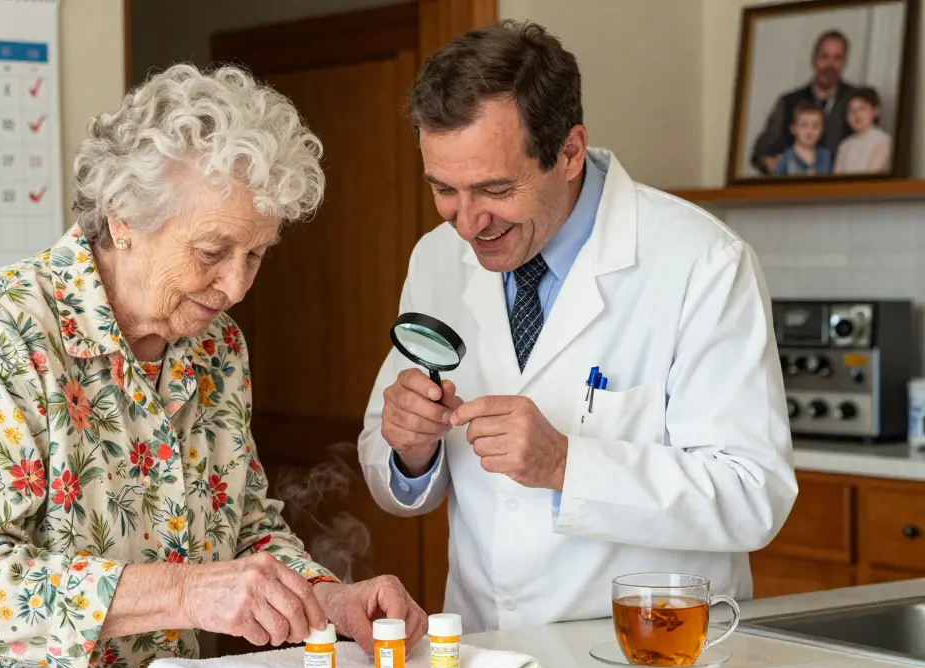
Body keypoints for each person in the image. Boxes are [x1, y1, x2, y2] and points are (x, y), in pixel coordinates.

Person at [0, 63, 427, 668]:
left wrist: (327, 597)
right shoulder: (2, 334)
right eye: (212, 251)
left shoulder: (216, 347)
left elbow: (245, 528)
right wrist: (183, 592)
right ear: (123, 219)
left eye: (256, 254)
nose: (236, 286)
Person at [358, 21, 797, 635]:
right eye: (443, 189)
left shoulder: (702, 263)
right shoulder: (436, 258)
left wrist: (567, 464)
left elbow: (754, 495)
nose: (466, 222)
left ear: (568, 152)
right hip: (487, 651)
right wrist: (410, 450)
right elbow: (392, 471)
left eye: (494, 188)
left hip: (651, 653)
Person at [750, 29, 856, 175]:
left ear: (844, 62)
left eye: (837, 58)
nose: (830, 65)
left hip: (843, 189)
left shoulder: (855, 100)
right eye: (824, 57)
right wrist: (768, 162)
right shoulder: (789, 101)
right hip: (794, 188)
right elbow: (761, 151)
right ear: (813, 59)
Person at [834, 86, 893, 174]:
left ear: (876, 111)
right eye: (852, 111)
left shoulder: (883, 140)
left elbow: (872, 172)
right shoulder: (845, 145)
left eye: (862, 109)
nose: (857, 115)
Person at [772, 100, 833, 176]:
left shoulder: (825, 156)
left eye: (815, 126)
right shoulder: (786, 159)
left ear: (822, 130)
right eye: (804, 125)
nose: (809, 132)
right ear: (793, 129)